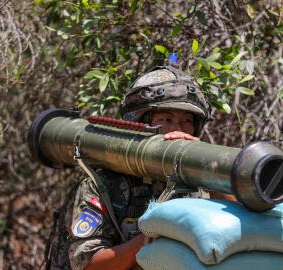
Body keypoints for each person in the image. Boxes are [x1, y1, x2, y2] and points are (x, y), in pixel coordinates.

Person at [46, 66, 230, 270]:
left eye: (186, 121)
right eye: (166, 119)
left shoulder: (199, 180)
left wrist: (208, 172)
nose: (177, 130)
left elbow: (241, 227)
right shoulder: (104, 185)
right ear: (139, 124)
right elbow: (90, 264)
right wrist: (150, 238)